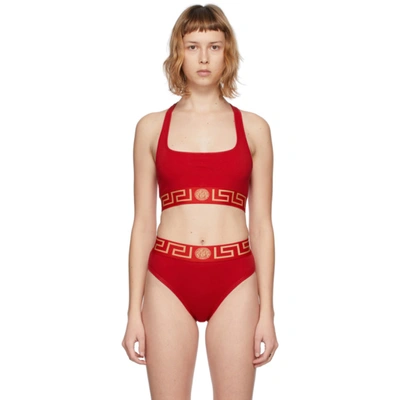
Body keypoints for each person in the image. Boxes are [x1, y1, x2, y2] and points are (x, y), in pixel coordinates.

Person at [122, 4, 278, 399]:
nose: (204, 58)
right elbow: (143, 223)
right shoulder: (151, 128)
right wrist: (132, 312)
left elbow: (262, 225)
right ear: (178, 52)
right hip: (167, 278)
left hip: (236, 278)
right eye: (193, 46)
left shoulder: (255, 129)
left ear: (228, 53)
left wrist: (268, 311)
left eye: (214, 46)